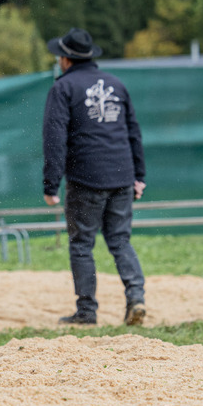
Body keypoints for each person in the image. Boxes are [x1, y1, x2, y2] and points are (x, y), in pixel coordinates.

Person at [43, 27, 147, 327]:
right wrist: (139, 175)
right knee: (120, 240)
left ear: (65, 59)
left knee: (81, 244)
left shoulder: (63, 88)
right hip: (123, 176)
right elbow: (133, 133)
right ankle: (136, 297)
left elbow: (54, 138)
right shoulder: (117, 85)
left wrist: (51, 184)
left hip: (86, 178)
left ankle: (87, 311)